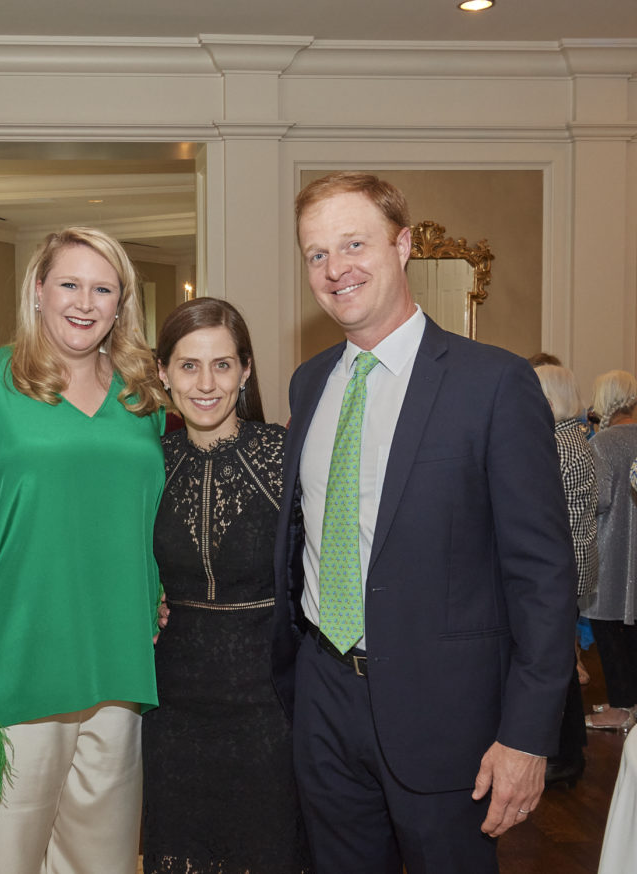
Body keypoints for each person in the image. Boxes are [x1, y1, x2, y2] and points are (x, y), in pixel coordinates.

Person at [272, 171, 576, 873]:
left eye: (354, 243)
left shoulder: (492, 383)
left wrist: (528, 736)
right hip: (323, 704)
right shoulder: (309, 382)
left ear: (403, 244)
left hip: (450, 720)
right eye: (316, 254)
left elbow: (542, 576)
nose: (335, 268)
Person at [0, 227, 165, 874]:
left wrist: (157, 593)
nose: (84, 302)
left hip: (119, 665)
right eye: (69, 283)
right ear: (38, 290)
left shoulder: (142, 396)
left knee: (101, 861)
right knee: (1, 860)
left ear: (121, 303)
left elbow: (152, 517)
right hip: (16, 663)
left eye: (103, 289)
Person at [141, 298, 311, 874]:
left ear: (244, 371)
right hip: (171, 710)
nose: (206, 383)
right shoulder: (145, 463)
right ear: (163, 374)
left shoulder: (287, 458)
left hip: (269, 708)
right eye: (188, 366)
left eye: (222, 365)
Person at [534, 364, 598, 786]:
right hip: (573, 564)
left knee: (556, 665)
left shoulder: (557, 444)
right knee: (561, 661)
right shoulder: (574, 437)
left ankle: (566, 756)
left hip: (560, 567)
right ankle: (569, 751)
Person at [581, 370, 637, 732]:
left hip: (613, 547)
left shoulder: (603, 443)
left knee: (607, 629)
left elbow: (597, 500)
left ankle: (621, 707)